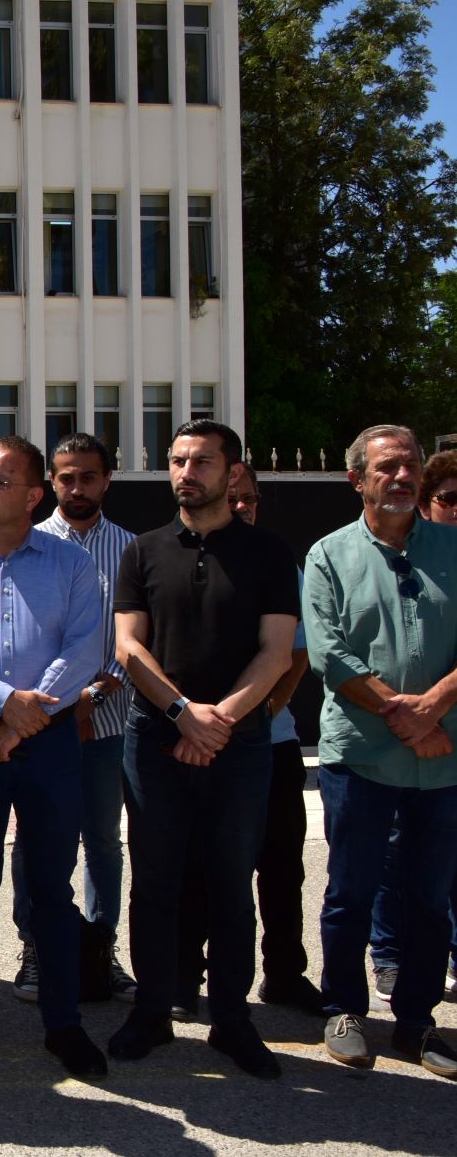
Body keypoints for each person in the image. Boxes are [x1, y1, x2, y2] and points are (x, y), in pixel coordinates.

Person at [107, 420, 298, 1080]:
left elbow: (276, 653)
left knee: (230, 882)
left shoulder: (269, 553)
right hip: (155, 738)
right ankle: (151, 1011)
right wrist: (183, 714)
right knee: (155, 880)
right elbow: (128, 648)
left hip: (238, 744)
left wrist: (218, 723)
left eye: (201, 462)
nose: (186, 473)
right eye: (177, 460)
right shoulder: (142, 551)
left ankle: (232, 1020)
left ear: (232, 472)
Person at [0, 437, 107, 1079]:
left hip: (49, 737)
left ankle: (63, 1023)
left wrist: (22, 719)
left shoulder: (72, 564)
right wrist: (3, 703)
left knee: (52, 888)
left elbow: (86, 649)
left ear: (34, 495)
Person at [304, 425, 457, 1077]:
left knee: (429, 897)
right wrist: (407, 716)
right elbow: (327, 654)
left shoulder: (452, 546)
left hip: (441, 758)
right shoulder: (328, 555)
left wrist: (432, 709)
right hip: (362, 756)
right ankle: (343, 1009)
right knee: (351, 890)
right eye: (387, 466)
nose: (401, 476)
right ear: (356, 480)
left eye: (410, 465)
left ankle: (417, 1021)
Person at [174, 472, 322, 1019]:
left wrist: (261, 714)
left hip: (270, 741)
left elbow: (295, 655)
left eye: (248, 499)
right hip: (193, 740)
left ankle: (284, 974)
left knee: (281, 866)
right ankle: (186, 977)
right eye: (231, 497)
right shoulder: (177, 556)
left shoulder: (277, 561)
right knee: (196, 867)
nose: (240, 507)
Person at [16, 432, 139, 1004]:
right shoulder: (30, 544)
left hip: (108, 724)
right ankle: (35, 948)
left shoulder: (133, 549)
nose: (77, 487)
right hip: (42, 721)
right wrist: (66, 696)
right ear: (50, 482)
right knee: (36, 840)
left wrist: (97, 689)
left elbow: (136, 634)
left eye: (89, 476)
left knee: (103, 840)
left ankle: (99, 947)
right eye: (66, 477)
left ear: (108, 480)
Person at [367, 448, 457, 1004]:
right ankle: (390, 955)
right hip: (404, 738)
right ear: (427, 505)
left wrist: (433, 708)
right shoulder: (403, 557)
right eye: (450, 499)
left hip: (438, 731)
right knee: (396, 852)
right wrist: (421, 718)